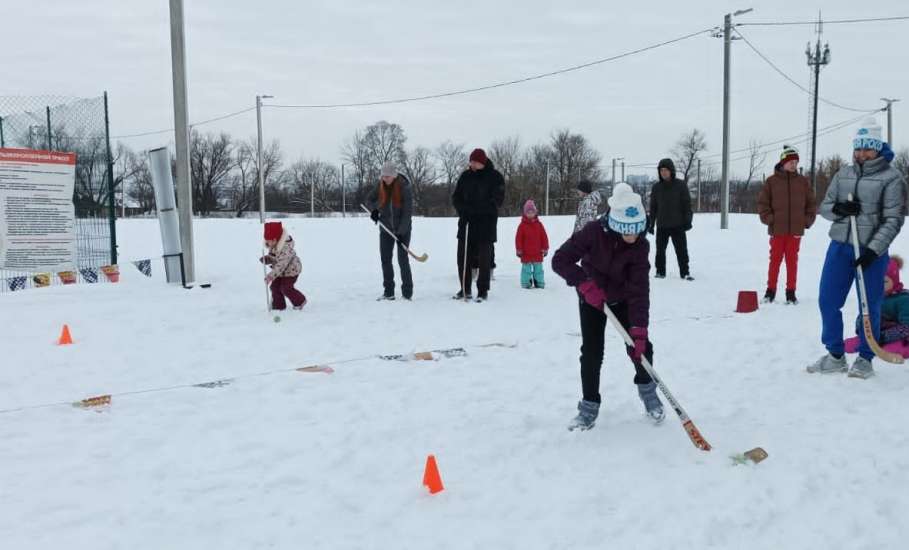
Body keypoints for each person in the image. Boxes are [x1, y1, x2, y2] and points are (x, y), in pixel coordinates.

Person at [552, 183, 664, 431]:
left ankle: (649, 394)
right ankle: (589, 407)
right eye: (627, 233)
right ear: (615, 225)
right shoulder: (593, 232)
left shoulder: (640, 247)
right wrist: (584, 283)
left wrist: (639, 330)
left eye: (637, 232)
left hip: (623, 299)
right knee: (592, 352)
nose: (632, 238)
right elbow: (560, 260)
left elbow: (639, 290)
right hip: (592, 298)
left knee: (641, 347)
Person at [808, 120, 907, 379]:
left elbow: (893, 219)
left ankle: (865, 357)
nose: (861, 154)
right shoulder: (844, 173)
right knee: (827, 300)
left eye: (867, 149)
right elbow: (826, 206)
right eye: (858, 148)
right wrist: (839, 209)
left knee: (870, 304)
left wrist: (873, 250)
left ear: (878, 148)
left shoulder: (892, 178)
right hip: (840, 247)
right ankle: (835, 355)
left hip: (872, 252)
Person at [757, 145, 817, 304]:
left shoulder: (803, 182)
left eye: (796, 162)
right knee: (775, 261)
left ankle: (791, 293)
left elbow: (811, 204)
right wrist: (770, 219)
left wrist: (806, 221)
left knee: (792, 262)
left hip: (795, 231)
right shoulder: (771, 182)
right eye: (791, 162)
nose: (794, 165)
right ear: (783, 163)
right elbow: (763, 204)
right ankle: (770, 292)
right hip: (777, 230)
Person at [452, 148, 505, 302]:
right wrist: (463, 209)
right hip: (466, 224)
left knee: (484, 259)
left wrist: (477, 209)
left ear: (482, 162)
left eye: (475, 162)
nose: (472, 164)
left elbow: (497, 200)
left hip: (485, 225)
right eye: (471, 161)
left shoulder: (495, 177)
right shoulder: (465, 176)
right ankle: (464, 288)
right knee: (463, 258)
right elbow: (456, 197)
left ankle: (482, 290)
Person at [365, 161, 414, 301]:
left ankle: (407, 292)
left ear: (394, 175)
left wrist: (401, 232)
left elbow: (407, 213)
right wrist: (374, 210)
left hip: (402, 229)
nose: (385, 179)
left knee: (402, 259)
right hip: (385, 228)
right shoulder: (380, 185)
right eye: (383, 176)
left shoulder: (404, 187)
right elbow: (369, 199)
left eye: (387, 176)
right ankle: (389, 292)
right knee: (385, 259)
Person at [648, 158, 693, 280]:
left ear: (671, 170)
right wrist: (651, 224)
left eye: (666, 170)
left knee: (681, 250)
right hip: (662, 225)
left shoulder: (680, 185)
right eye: (661, 170)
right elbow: (653, 207)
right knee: (660, 251)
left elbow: (687, 204)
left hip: (678, 225)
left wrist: (688, 220)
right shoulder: (656, 187)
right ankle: (660, 272)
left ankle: (685, 272)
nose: (663, 172)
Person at [261, 221, 307, 311]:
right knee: (274, 287)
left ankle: (300, 301)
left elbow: (281, 265)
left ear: (275, 239)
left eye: (268, 241)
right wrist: (268, 258)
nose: (267, 243)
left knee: (285, 288)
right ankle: (279, 307)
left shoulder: (285, 249)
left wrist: (270, 276)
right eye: (266, 241)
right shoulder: (274, 245)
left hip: (291, 271)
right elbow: (275, 257)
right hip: (280, 272)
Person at [515, 199, 549, 289]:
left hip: (538, 253)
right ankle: (526, 283)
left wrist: (545, 248)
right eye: (528, 212)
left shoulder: (539, 225)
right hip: (526, 253)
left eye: (532, 212)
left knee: (539, 270)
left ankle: (540, 283)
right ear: (525, 213)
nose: (530, 214)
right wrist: (519, 249)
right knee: (526, 270)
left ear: (535, 212)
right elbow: (518, 239)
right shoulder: (522, 226)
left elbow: (544, 237)